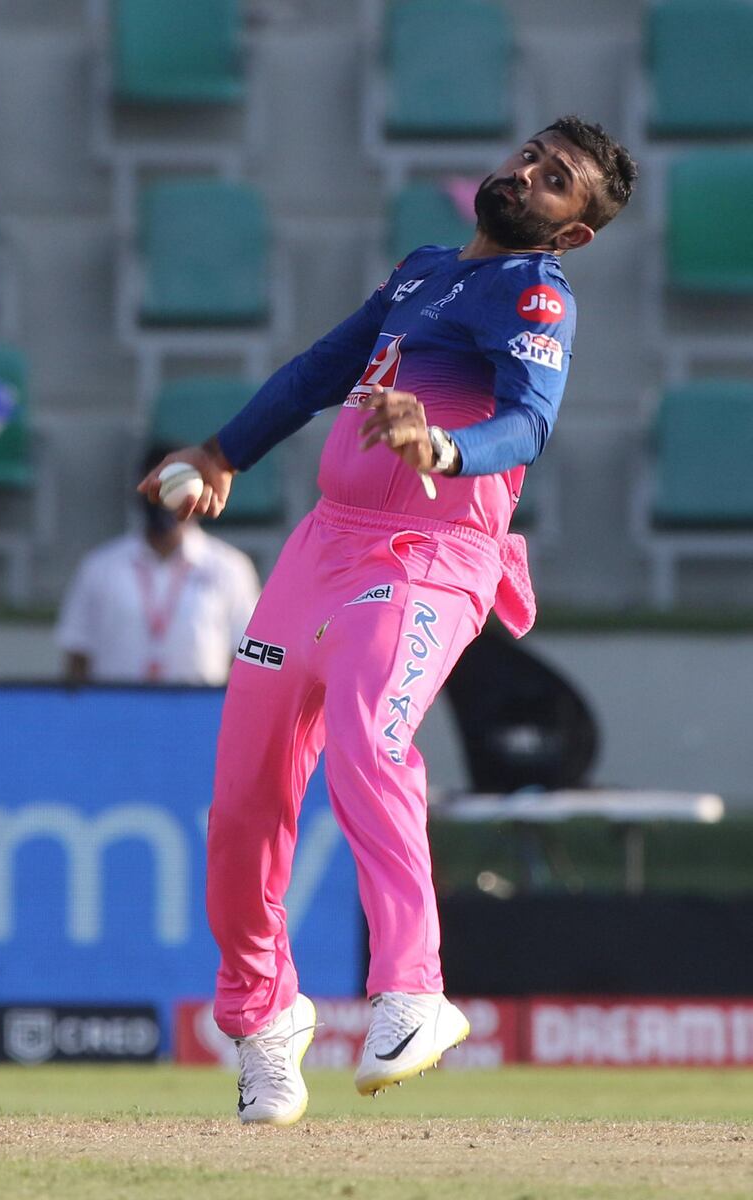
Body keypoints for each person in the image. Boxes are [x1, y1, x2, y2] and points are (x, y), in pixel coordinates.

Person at [139, 115, 637, 1124]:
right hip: (320, 551)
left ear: (572, 232)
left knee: (371, 732)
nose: (530, 172)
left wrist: (442, 451)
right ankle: (264, 1017)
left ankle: (412, 987)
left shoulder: (535, 294)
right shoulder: (422, 270)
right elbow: (324, 368)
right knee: (242, 804)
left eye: (557, 182)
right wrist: (225, 453)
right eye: (533, 155)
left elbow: (527, 421)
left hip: (427, 557)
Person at [58, 445, 260, 685]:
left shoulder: (230, 567)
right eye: (155, 487)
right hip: (116, 713)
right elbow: (77, 654)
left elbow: (246, 654)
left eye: (172, 486)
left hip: (199, 713)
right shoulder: (100, 567)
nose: (163, 500)